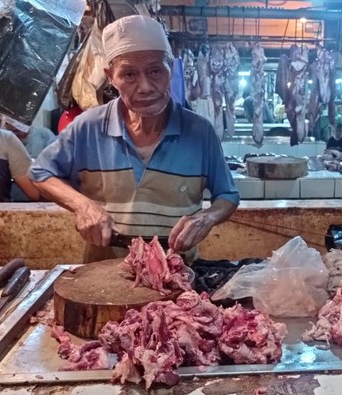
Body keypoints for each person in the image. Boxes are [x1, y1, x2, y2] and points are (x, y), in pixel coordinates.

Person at [29, 15, 240, 263]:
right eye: (129, 75)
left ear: (170, 68)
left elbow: (228, 195)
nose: (145, 86)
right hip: (103, 273)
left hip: (177, 278)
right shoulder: (88, 127)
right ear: (110, 77)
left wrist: (207, 217)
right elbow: (40, 173)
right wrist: (82, 205)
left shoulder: (200, 132)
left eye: (155, 71)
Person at [4, 121, 57, 202]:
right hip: (16, 194)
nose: (15, 135)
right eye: (11, 132)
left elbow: (57, 161)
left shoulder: (43, 134)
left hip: (43, 189)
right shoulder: (6, 139)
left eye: (17, 131)